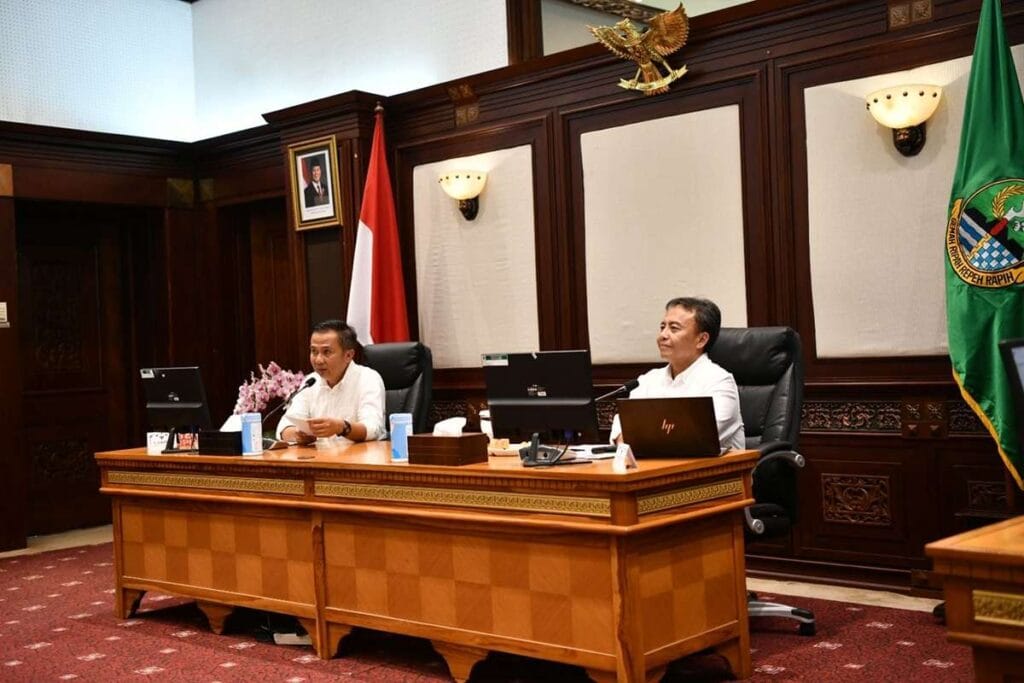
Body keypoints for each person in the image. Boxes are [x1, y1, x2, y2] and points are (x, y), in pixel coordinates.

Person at [610, 297, 745, 452]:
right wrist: (627, 439)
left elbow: (696, 438)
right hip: (651, 464)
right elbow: (623, 426)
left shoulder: (720, 382)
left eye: (674, 328)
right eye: (662, 327)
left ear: (701, 340)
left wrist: (641, 438)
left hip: (710, 467)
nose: (663, 335)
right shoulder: (648, 380)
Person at [276, 319, 385, 445]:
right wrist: (298, 435)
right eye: (314, 351)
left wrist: (342, 427)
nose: (318, 360)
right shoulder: (311, 381)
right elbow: (283, 428)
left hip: (359, 456)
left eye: (326, 352)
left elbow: (373, 429)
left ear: (348, 355)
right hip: (318, 456)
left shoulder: (368, 378)